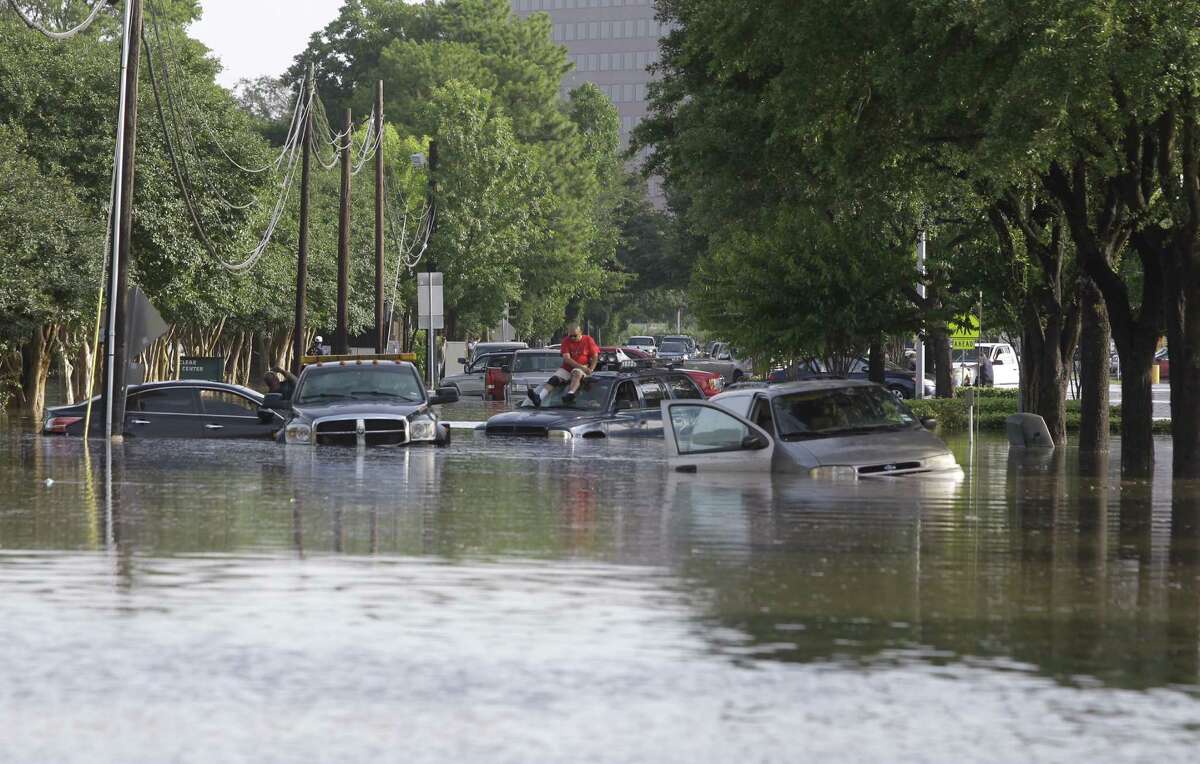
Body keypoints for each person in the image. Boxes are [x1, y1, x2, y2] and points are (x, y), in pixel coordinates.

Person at [528, 324, 599, 406]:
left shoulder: (588, 340)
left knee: (577, 373)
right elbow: (567, 359)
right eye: (570, 336)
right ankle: (539, 397)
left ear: (580, 333)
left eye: (575, 336)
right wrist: (581, 367)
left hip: (583, 368)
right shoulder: (566, 341)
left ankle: (570, 394)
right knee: (554, 379)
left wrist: (591, 369)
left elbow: (595, 356)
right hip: (569, 367)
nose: (572, 338)